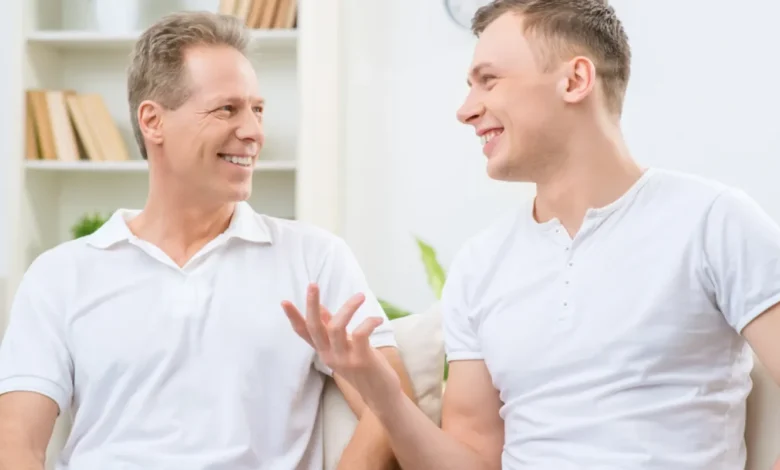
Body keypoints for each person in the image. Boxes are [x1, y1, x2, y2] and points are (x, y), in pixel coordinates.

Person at [281, 1, 780, 469]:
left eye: (489, 81)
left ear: (575, 80)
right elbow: (472, 460)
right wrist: (383, 396)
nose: (466, 109)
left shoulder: (713, 221)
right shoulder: (481, 264)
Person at [0, 11, 414, 470]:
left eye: (257, 109)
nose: (254, 131)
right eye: (227, 109)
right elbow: (17, 443)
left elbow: (392, 406)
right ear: (153, 121)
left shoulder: (314, 259)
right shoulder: (60, 274)